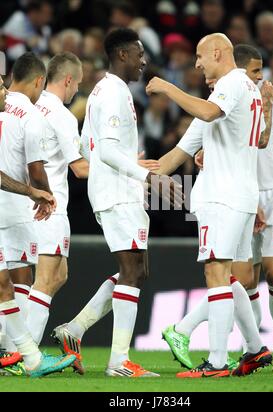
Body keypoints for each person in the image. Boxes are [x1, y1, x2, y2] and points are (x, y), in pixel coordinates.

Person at [52, 28, 183, 378]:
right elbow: (106, 150)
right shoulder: (113, 91)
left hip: (115, 187)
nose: (144, 61)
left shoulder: (103, 90)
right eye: (139, 54)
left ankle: (75, 330)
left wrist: (127, 163)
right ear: (122, 55)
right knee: (133, 271)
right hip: (117, 191)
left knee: (138, 271)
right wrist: (146, 176)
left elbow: (87, 148)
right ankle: (119, 362)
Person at [145, 33, 271, 378]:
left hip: (223, 197)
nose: (197, 64)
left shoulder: (231, 84)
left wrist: (169, 88)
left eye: (200, 56)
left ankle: (216, 362)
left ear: (218, 52)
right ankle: (255, 349)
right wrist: (132, 173)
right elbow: (173, 157)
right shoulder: (242, 92)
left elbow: (209, 110)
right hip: (241, 197)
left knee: (215, 272)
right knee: (229, 276)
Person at [0, 52, 76, 377]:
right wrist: (41, 194)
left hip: (10, 203)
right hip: (16, 210)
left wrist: (34, 193)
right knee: (14, 282)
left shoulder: (3, 110)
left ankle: (20, 356)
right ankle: (21, 356)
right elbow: (35, 168)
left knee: (12, 282)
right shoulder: (30, 116)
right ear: (39, 81)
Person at [230, 45, 273, 372]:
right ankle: (253, 348)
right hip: (244, 198)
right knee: (244, 279)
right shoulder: (228, 105)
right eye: (256, 71)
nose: (261, 78)